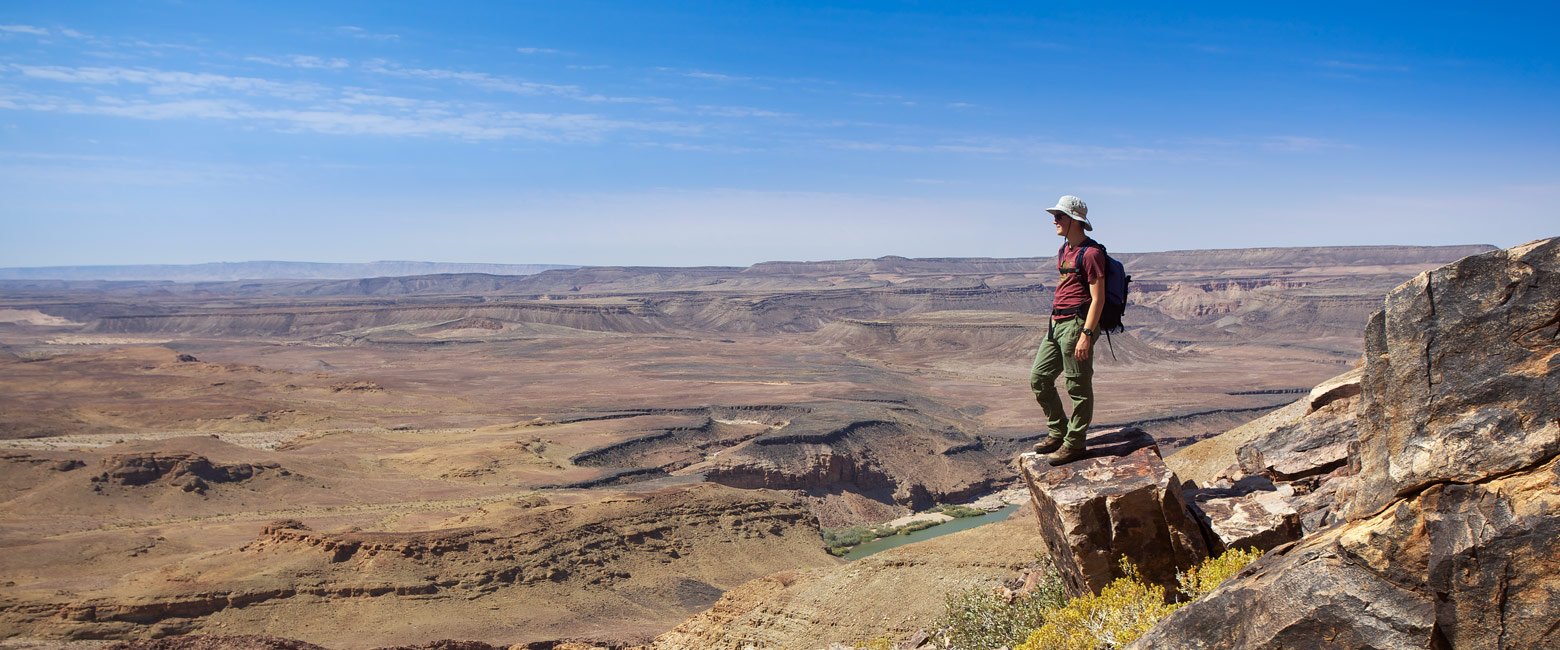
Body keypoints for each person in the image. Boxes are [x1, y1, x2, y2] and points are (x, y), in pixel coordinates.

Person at [1030, 195, 1105, 465]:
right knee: (1039, 378)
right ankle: (1058, 431)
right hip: (1056, 323)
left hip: (1076, 325)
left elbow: (1098, 298)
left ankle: (1075, 444)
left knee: (1078, 387)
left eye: (1059, 216)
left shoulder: (1092, 253)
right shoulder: (1064, 250)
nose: (1054, 221)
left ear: (1075, 220)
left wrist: (1086, 334)